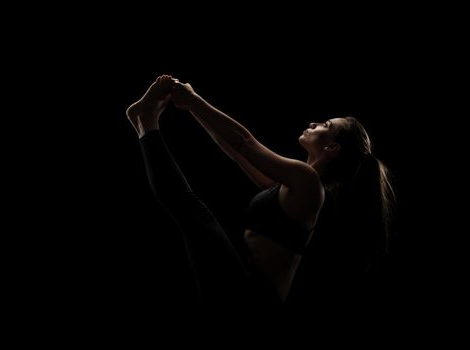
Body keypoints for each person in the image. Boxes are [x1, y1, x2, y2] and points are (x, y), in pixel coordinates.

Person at [126, 75, 395, 309]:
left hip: (253, 297)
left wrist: (194, 99)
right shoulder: (295, 186)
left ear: (332, 148)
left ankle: (146, 121)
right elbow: (235, 151)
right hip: (246, 290)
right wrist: (189, 106)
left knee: (195, 213)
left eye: (326, 125)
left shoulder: (308, 182)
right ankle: (145, 122)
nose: (315, 123)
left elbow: (244, 142)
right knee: (192, 213)